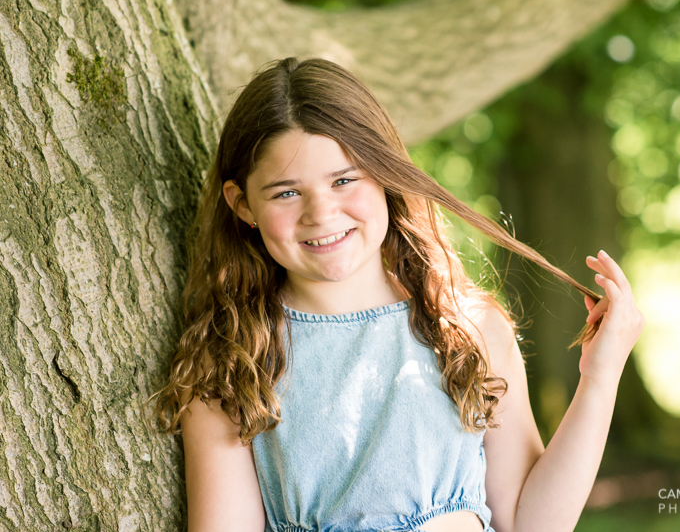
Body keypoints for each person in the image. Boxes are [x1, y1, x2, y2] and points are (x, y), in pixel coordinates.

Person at [152, 56, 645, 532]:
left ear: (385, 176)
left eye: (344, 180)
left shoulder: (467, 327)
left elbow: (530, 523)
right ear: (243, 205)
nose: (320, 214)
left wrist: (599, 377)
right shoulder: (232, 364)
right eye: (286, 192)